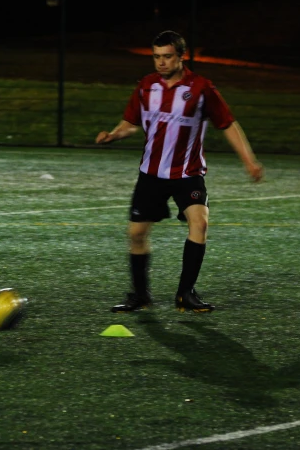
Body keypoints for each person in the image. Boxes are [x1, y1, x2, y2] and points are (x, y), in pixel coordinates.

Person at [95, 30, 264, 313]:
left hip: (188, 174)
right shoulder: (146, 86)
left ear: (181, 56)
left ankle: (186, 294)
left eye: (167, 57)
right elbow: (132, 123)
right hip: (151, 174)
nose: (161, 62)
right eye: (157, 57)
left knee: (200, 223)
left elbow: (228, 124)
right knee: (136, 233)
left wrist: (249, 160)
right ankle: (141, 295)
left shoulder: (201, 88)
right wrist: (113, 135)